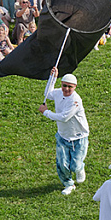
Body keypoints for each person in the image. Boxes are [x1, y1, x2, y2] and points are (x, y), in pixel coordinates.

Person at [38, 67, 89, 195]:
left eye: (69, 87)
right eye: (64, 85)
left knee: (75, 165)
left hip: (78, 137)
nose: (66, 89)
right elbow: (48, 94)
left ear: (75, 87)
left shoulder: (75, 101)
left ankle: (80, 168)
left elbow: (64, 117)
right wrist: (53, 78)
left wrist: (46, 112)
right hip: (62, 136)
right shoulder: (58, 93)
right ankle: (68, 184)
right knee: (62, 164)